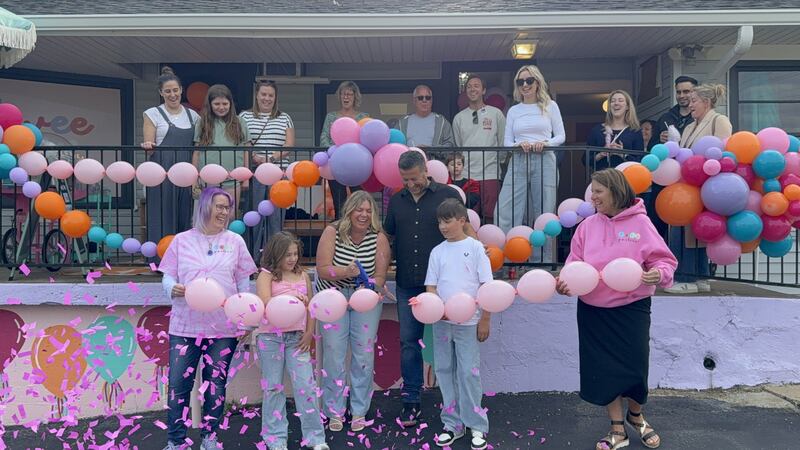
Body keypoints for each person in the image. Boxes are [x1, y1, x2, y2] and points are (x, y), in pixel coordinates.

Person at [555, 169, 676, 450]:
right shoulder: (587, 226)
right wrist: (567, 281)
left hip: (631, 307)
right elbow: (575, 262)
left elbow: (664, 261)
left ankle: (636, 416)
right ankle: (617, 429)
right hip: (593, 309)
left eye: (598, 191)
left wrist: (658, 274)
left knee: (635, 367)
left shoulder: (642, 224)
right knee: (604, 369)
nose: (593, 197)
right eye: (592, 191)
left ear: (616, 191)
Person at [158, 187, 258, 450]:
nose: (224, 212)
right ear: (204, 207)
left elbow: (243, 283)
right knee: (179, 385)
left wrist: (244, 316)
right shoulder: (181, 240)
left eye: (227, 207)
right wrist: (172, 288)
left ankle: (210, 438)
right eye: (219, 206)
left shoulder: (235, 241)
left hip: (223, 327)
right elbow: (167, 275)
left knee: (215, 385)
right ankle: (175, 441)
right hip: (184, 326)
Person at [383, 150, 466, 427]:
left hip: (443, 285)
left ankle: (456, 403)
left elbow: (463, 230)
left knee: (449, 342)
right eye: (405, 179)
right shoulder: (396, 201)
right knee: (409, 343)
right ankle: (411, 401)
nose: (410, 184)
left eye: (414, 178)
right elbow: (388, 236)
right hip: (408, 282)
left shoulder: (446, 195)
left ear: (425, 171)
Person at [315, 191, 391, 432]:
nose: (364, 215)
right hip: (333, 296)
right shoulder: (333, 232)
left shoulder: (378, 237)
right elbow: (323, 269)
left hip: (364, 298)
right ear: (349, 210)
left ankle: (359, 410)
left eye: (369, 211)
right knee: (334, 352)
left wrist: (373, 288)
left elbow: (380, 274)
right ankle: (334, 411)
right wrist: (346, 271)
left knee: (363, 352)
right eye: (360, 210)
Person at [425, 198, 492, 450]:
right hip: (442, 322)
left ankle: (477, 424)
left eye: (448, 221)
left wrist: (485, 318)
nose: (443, 226)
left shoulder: (476, 248)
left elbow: (487, 286)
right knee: (444, 370)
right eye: (440, 222)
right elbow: (431, 286)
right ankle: (452, 424)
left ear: (462, 220)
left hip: (469, 322)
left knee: (468, 372)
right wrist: (434, 307)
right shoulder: (437, 251)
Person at [255, 232, 329, 450]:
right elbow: (265, 303)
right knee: (273, 387)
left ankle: (316, 438)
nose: (292, 259)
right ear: (276, 254)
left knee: (306, 385)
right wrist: (288, 300)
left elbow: (311, 307)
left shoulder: (303, 275)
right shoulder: (266, 276)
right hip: (270, 337)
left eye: (295, 254)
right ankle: (275, 438)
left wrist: (309, 333)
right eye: (287, 254)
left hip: (297, 337)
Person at [666, 83, 733, 294]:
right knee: (688, 230)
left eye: (694, 100)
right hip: (687, 184)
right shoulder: (688, 126)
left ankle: (689, 278)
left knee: (696, 232)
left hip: (708, 183)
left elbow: (724, 149)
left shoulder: (718, 120)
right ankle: (701, 277)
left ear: (707, 102)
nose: (690, 104)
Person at [496, 65, 565, 262]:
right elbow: (507, 142)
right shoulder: (514, 110)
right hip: (519, 158)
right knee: (507, 208)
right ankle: (509, 259)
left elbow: (561, 136)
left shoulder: (550, 106)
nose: (525, 85)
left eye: (529, 81)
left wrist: (545, 143)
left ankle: (541, 260)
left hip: (545, 159)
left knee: (544, 210)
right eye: (520, 82)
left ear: (537, 83)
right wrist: (520, 144)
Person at [141, 66, 199, 244]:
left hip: (185, 172)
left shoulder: (194, 116)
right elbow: (150, 145)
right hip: (161, 173)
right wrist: (147, 145)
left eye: (175, 90)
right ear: (161, 92)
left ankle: (184, 258)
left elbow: (198, 145)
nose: (172, 95)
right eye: (167, 91)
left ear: (181, 90)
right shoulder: (152, 114)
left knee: (185, 214)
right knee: (161, 214)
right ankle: (159, 258)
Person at [240, 80, 295, 258]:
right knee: (254, 217)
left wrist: (270, 158)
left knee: (276, 219)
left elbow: (289, 145)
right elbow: (242, 143)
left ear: (275, 97)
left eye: (271, 95)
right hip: (255, 173)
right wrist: (255, 158)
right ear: (257, 95)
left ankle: (275, 258)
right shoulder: (245, 117)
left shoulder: (284, 117)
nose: (267, 98)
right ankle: (253, 258)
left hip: (279, 175)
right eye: (263, 94)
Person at [452, 75, 506, 224]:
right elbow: (458, 146)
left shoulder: (496, 114)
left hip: (490, 173)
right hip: (467, 175)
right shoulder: (459, 118)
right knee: (470, 217)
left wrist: (497, 162)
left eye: (476, 86)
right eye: (469, 86)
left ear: (484, 90)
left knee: (491, 216)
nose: (472, 89)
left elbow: (503, 143)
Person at [193, 84, 251, 209]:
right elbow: (197, 152)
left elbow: (246, 150)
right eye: (217, 104)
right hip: (208, 179)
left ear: (231, 104)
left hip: (233, 179)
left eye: (225, 104)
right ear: (210, 104)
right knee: (210, 214)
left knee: (230, 214)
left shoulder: (240, 122)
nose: (221, 107)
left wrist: (246, 177)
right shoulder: (202, 123)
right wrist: (194, 178)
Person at [320, 81, 368, 219]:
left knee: (359, 199)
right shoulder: (331, 117)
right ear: (339, 96)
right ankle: (340, 231)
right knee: (338, 201)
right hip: (336, 163)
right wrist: (335, 151)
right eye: (343, 94)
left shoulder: (363, 117)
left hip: (357, 165)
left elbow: (366, 138)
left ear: (355, 97)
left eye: (349, 94)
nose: (346, 97)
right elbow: (324, 137)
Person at [585, 90, 643, 171]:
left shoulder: (635, 131)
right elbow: (585, 160)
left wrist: (623, 154)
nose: (616, 103)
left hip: (626, 179)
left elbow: (640, 161)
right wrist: (602, 154)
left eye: (621, 100)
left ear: (627, 107)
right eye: (613, 101)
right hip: (602, 179)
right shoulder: (597, 130)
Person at [398, 85, 455, 160]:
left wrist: (431, 149)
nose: (424, 100)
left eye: (428, 98)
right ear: (414, 101)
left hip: (434, 168)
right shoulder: (403, 122)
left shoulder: (442, 122)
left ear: (432, 101)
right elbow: (395, 146)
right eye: (420, 98)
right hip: (409, 168)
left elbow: (450, 146)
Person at [655, 76, 698, 144]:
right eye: (678, 92)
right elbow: (650, 147)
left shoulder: (700, 117)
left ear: (695, 93)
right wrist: (660, 140)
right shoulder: (665, 118)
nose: (681, 96)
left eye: (686, 92)